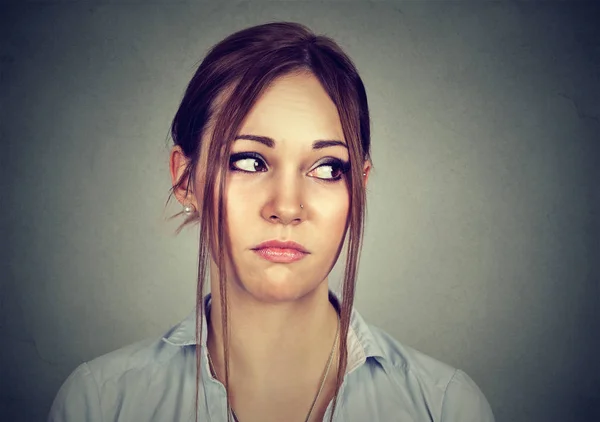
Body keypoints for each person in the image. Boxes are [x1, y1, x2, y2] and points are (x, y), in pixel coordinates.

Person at [48, 22, 495, 422]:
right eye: (249, 161)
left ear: (358, 186)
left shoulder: (445, 408)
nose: (286, 206)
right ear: (186, 179)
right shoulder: (100, 405)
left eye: (326, 169)